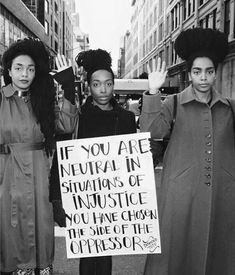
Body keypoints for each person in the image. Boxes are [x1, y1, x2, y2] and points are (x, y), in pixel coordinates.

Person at [140, 28, 235, 275]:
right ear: (189, 74)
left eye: (209, 71)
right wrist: (153, 92)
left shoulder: (230, 109)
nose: (203, 77)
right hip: (179, 200)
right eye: (197, 71)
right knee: (174, 258)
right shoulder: (172, 104)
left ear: (215, 74)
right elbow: (149, 132)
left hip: (222, 200)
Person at [49, 48, 137, 275]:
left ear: (114, 85)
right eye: (96, 84)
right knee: (87, 257)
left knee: (106, 255)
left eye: (108, 83)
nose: (103, 89)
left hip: (113, 198)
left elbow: (134, 162)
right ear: (89, 85)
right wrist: (57, 200)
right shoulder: (78, 118)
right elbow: (62, 158)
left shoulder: (126, 118)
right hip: (82, 198)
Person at [0, 38, 78, 275]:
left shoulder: (42, 100)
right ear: (9, 70)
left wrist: (68, 86)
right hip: (8, 174)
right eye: (19, 68)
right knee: (11, 229)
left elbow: (66, 124)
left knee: (42, 227)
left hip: (39, 174)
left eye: (31, 69)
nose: (25, 74)